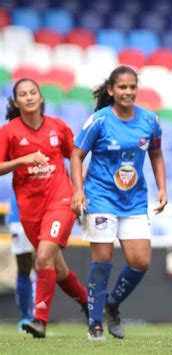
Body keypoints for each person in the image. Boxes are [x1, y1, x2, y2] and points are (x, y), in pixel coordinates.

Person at [70, 65, 168, 341]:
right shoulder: (99, 121)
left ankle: (112, 305)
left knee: (141, 261)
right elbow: (76, 156)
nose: (128, 92)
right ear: (111, 90)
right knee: (102, 259)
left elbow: (156, 155)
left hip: (134, 200)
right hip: (100, 197)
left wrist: (162, 188)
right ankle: (95, 323)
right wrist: (78, 191)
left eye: (132, 87)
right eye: (122, 87)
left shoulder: (150, 121)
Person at [0, 78, 88, 338]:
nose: (28, 97)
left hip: (60, 200)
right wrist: (23, 160)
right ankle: (89, 305)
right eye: (22, 94)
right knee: (56, 268)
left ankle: (39, 320)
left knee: (42, 258)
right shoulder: (9, 132)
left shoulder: (58, 127)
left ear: (40, 97)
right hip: (29, 208)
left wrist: (78, 190)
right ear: (16, 102)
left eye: (33, 92)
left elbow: (74, 156)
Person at [7, 194, 35, 332]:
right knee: (24, 268)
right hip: (19, 214)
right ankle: (25, 317)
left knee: (45, 264)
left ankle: (40, 315)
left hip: (45, 210)